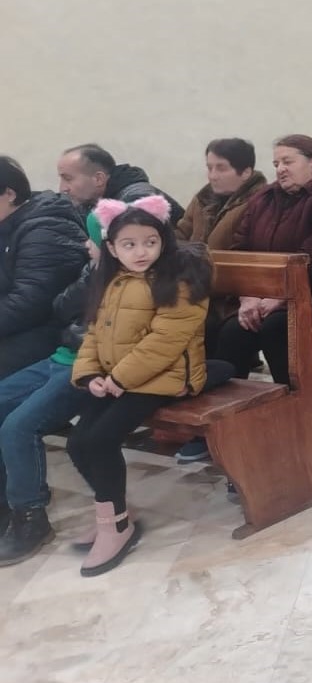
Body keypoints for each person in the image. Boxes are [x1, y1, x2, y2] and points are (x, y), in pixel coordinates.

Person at [172, 136, 312, 467]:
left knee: (276, 330)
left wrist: (277, 297)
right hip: (262, 295)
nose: (280, 169)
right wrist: (248, 295)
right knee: (233, 333)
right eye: (277, 163)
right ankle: (223, 424)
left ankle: (299, 417)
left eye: (288, 161)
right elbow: (241, 249)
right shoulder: (266, 198)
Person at [69, 195, 211, 577]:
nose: (141, 251)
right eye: (129, 244)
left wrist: (119, 378)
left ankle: (116, 528)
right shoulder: (113, 281)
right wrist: (90, 374)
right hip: (124, 379)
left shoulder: (180, 279)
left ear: (164, 240)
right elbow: (95, 333)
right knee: (78, 442)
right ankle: (114, 511)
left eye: (150, 242)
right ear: (112, 249)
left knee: (101, 440)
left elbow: (165, 342)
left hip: (166, 378)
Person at [0, 216, 101, 565]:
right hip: (62, 357)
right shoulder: (94, 272)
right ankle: (8, 503)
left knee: (18, 427)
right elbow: (61, 308)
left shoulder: (132, 281)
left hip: (88, 368)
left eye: (92, 239)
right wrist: (92, 274)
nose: (85, 245)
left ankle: (31, 518)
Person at [0, 156, 89, 380]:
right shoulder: (9, 222)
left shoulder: (47, 229)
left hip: (47, 331)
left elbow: (30, 303)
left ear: (9, 194)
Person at [56, 144, 183, 224]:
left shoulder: (137, 200)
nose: (62, 188)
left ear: (98, 179)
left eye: (68, 179)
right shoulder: (89, 202)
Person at [176, 138, 267, 250]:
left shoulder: (261, 203)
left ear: (246, 173)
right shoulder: (202, 200)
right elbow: (181, 234)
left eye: (221, 169)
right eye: (209, 168)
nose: (212, 176)